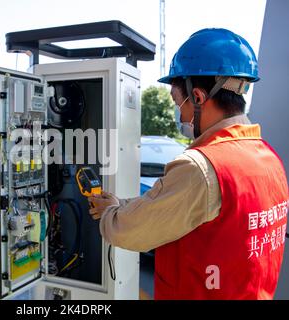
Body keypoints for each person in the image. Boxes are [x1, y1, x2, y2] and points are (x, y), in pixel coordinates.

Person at [89, 28, 288, 300]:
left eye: (176, 100)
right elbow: (192, 211)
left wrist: (112, 212)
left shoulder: (201, 167)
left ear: (197, 97)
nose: (178, 112)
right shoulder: (268, 158)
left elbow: (129, 230)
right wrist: (122, 203)